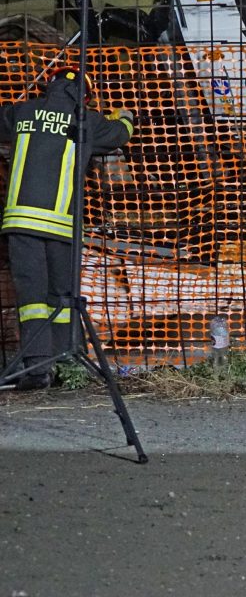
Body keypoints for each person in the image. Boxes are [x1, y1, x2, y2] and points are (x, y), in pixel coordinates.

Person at [0, 65, 134, 390]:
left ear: (49, 85)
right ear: (85, 96)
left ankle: (36, 370)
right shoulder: (87, 120)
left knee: (32, 299)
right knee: (62, 297)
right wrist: (125, 115)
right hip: (63, 227)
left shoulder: (23, 111)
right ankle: (66, 363)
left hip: (22, 223)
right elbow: (121, 134)